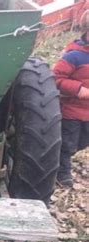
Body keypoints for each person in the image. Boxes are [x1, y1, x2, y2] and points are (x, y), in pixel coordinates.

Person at [53, 10, 89, 187]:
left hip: (88, 112)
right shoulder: (74, 55)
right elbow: (56, 78)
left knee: (82, 142)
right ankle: (62, 174)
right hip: (72, 110)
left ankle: (64, 161)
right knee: (67, 143)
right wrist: (77, 88)